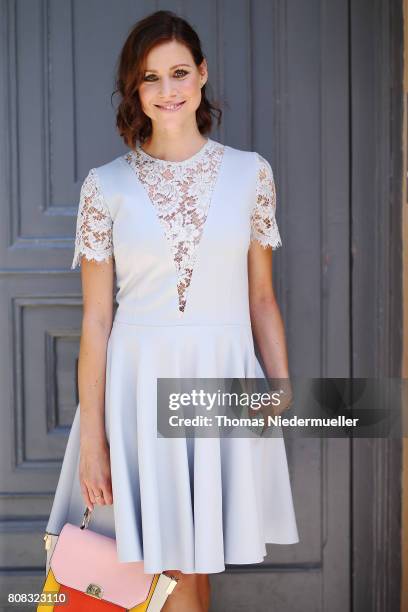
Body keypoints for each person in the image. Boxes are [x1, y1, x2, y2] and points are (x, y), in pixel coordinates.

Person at [44, 9, 299, 612]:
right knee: (160, 565)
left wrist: (281, 386)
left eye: (179, 72)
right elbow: (97, 320)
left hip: (220, 381)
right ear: (136, 89)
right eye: (150, 78)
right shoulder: (105, 186)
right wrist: (93, 440)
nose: (167, 90)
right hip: (137, 389)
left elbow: (261, 295)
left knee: (193, 563)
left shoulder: (250, 173)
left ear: (202, 75)